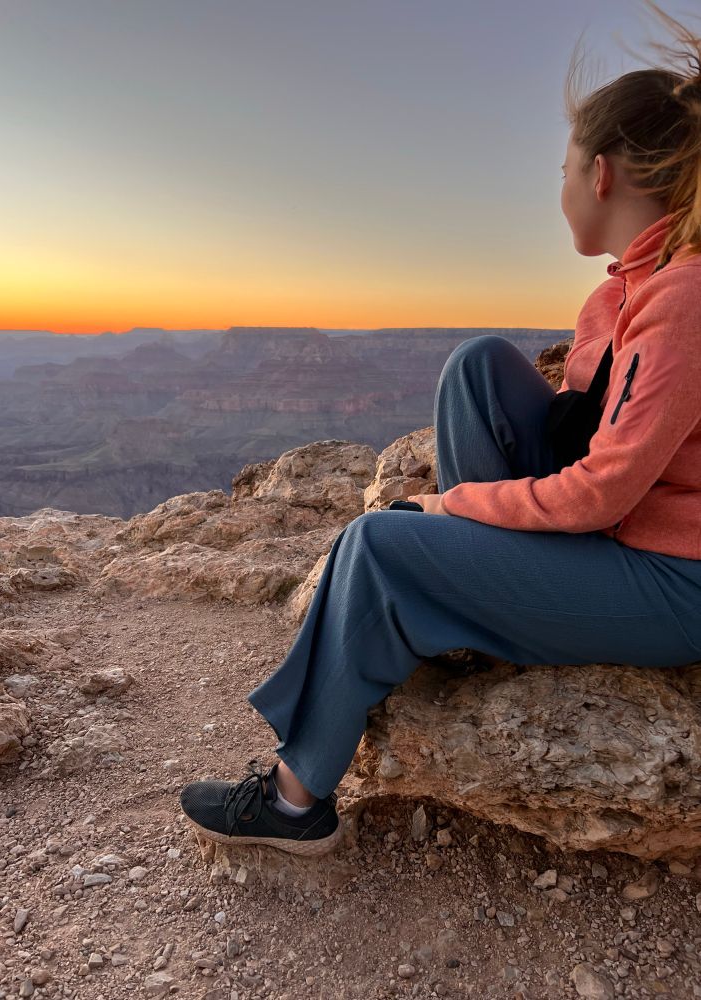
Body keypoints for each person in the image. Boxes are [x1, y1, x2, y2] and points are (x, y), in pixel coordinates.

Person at [180, 1, 701, 857]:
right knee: (478, 365)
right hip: (624, 530)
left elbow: (605, 488)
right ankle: (467, 618)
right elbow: (591, 428)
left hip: (673, 579)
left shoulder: (681, 300)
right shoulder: (623, 289)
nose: (561, 185)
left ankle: (294, 799)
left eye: (565, 167)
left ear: (602, 175)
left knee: (380, 544)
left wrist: (455, 509)